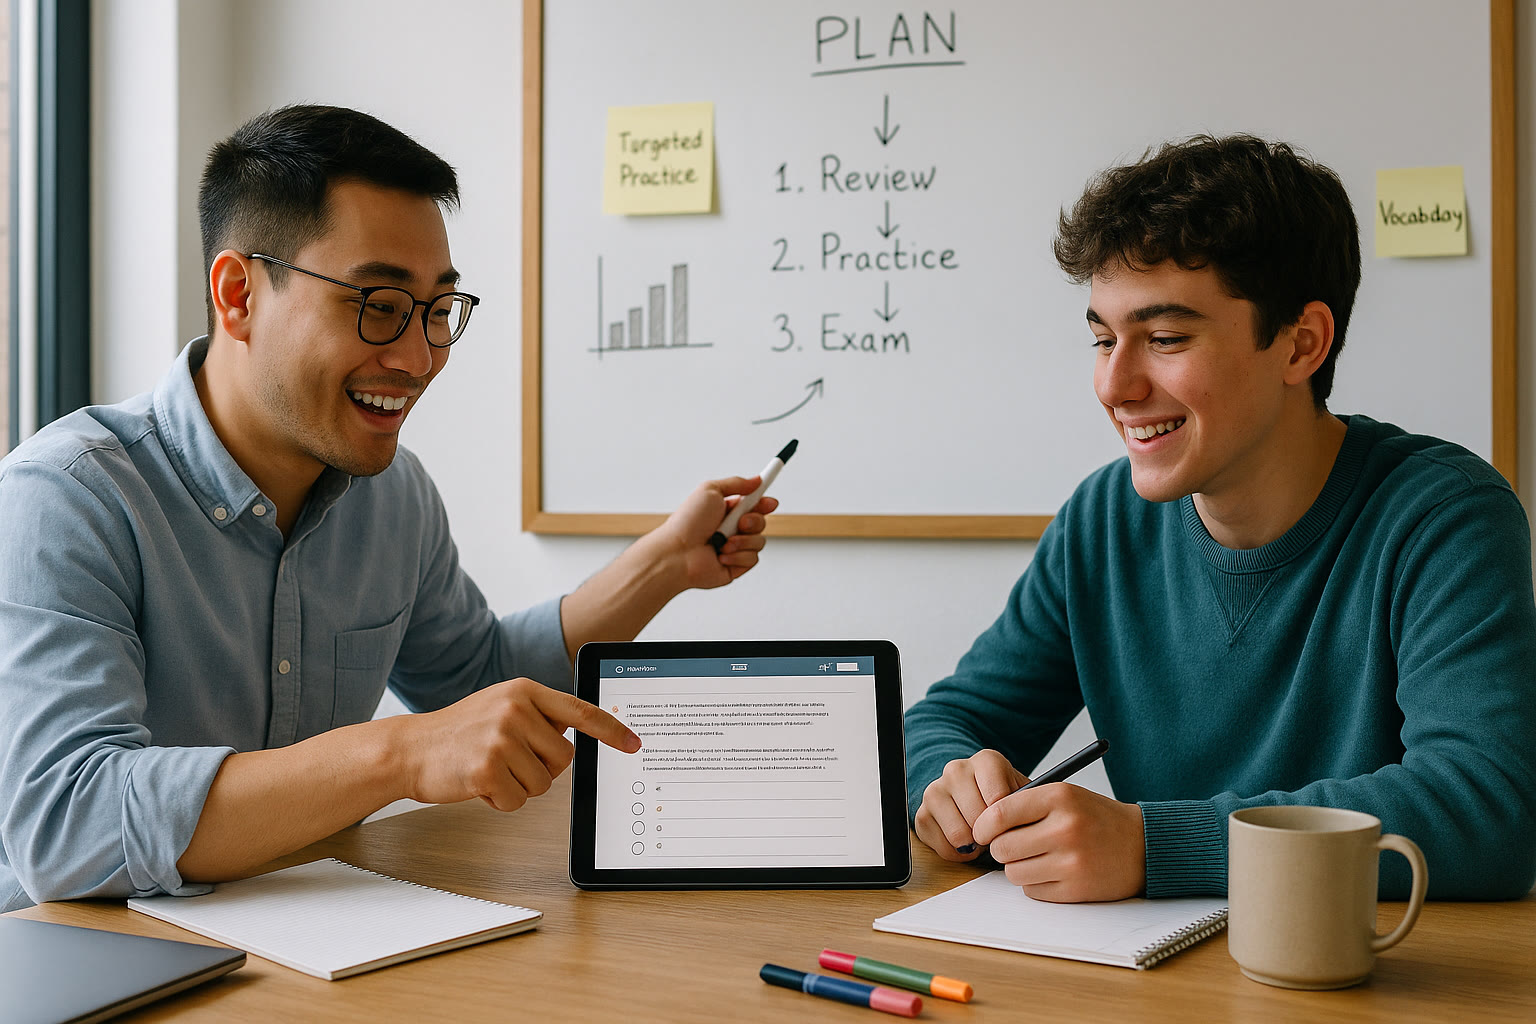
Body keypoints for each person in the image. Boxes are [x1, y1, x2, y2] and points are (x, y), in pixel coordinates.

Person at [0, 105, 778, 913]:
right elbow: (65, 826)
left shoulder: (394, 496)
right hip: (89, 956)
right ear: (238, 296)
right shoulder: (68, 496)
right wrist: (397, 755)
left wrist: (663, 565)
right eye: (376, 303)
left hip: (300, 936)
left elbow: (476, 684)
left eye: (437, 311)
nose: (416, 359)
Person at [904, 135, 1536, 903]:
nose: (1114, 385)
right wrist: (946, 784)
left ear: (1301, 343)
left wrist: (1154, 845)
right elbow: (946, 720)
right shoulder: (1101, 522)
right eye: (1103, 338)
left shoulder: (1443, 516)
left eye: (1165, 339)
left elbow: (1490, 809)